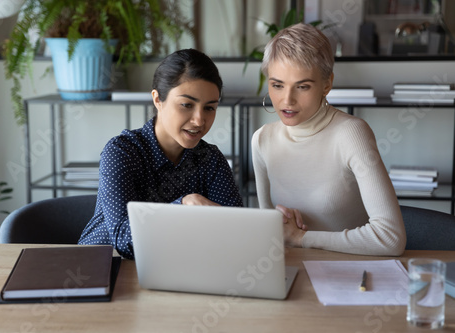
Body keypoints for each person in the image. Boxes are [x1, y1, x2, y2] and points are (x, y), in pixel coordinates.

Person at [251, 23, 406, 256]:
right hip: (290, 271)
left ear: (327, 84)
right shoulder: (262, 139)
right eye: (277, 85)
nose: (287, 100)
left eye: (302, 86)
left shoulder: (352, 134)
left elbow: (390, 238)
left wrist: (302, 238)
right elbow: (271, 233)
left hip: (351, 276)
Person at [79, 49, 243, 259]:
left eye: (209, 108)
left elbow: (236, 232)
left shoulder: (210, 160)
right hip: (101, 265)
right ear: (157, 99)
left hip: (174, 266)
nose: (199, 120)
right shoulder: (121, 152)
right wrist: (182, 207)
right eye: (186, 105)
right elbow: (124, 240)